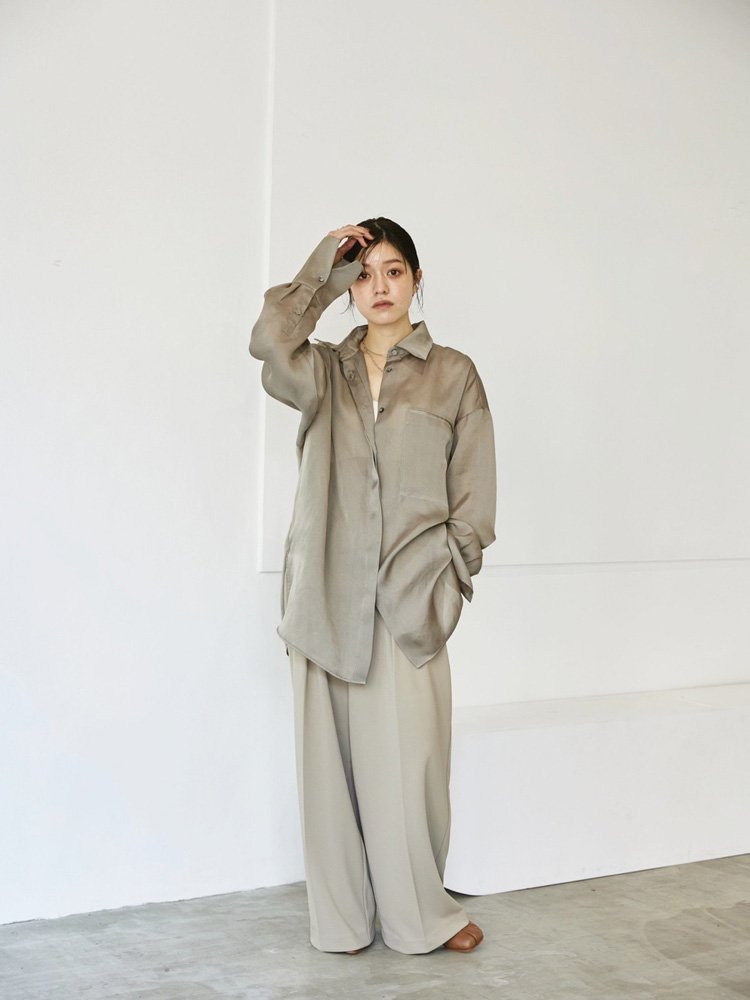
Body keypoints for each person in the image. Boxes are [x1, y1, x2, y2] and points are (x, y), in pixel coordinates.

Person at [249, 218, 496, 955]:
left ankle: (422, 916)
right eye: (363, 275)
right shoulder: (322, 369)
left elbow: (474, 491)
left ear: (417, 278)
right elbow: (269, 341)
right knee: (328, 775)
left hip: (410, 598)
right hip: (325, 592)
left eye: (392, 271)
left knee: (413, 768)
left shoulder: (454, 374)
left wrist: (447, 574)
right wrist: (322, 269)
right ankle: (344, 922)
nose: (378, 287)